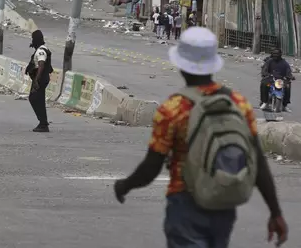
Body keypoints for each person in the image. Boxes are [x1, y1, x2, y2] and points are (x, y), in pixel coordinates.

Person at [113, 27, 288, 248]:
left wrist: (125, 185)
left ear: (181, 64)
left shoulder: (173, 109)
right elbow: (258, 162)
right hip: (223, 203)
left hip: (185, 202)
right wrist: (275, 212)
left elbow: (152, 166)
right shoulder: (238, 103)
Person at [25, 30, 53, 133]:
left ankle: (43, 124)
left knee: (36, 99)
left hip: (40, 79)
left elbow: (41, 64)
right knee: (35, 99)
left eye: (33, 39)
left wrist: (37, 80)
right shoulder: (42, 49)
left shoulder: (41, 51)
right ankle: (43, 122)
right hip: (41, 78)